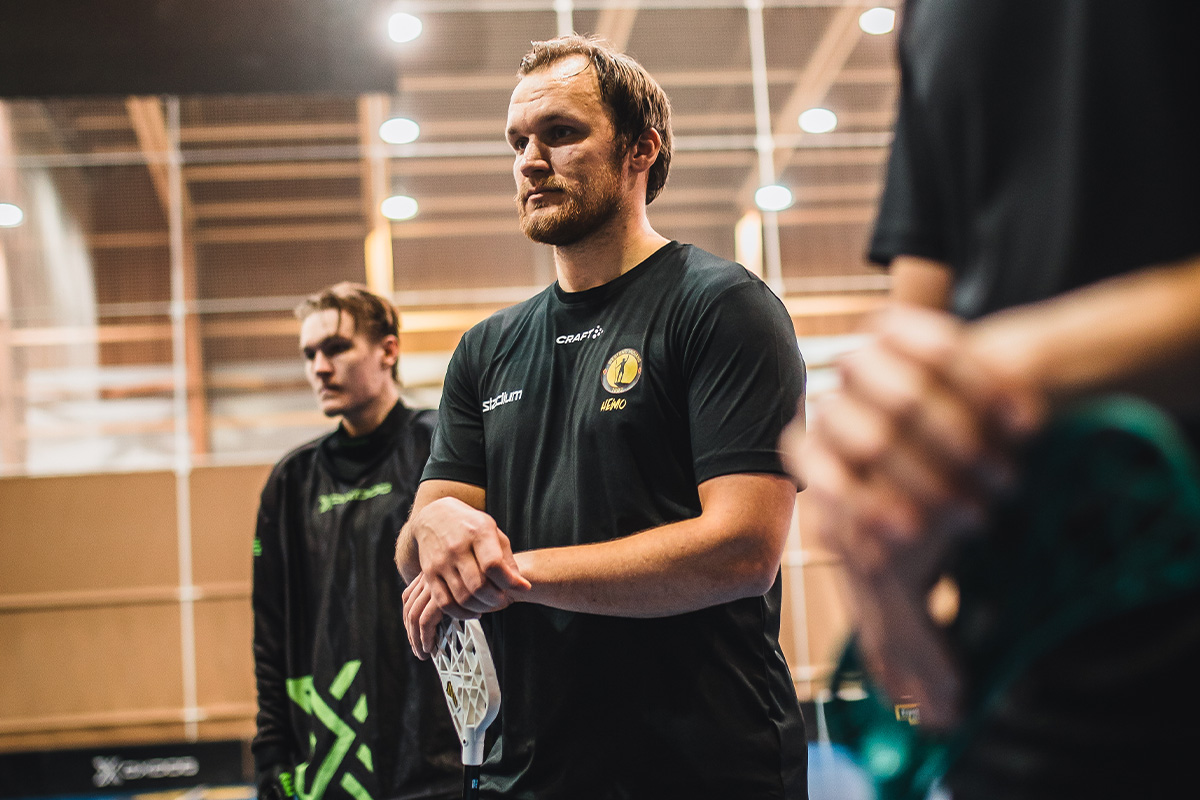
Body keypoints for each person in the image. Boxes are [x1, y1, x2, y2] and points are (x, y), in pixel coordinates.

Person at [784, 1, 1200, 797]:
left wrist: (1024, 369)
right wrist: (880, 507)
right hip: (1025, 706)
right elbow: (920, 328)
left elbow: (964, 368)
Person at [393, 35, 808, 800]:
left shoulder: (722, 308)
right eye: (519, 142)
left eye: (560, 133)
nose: (530, 161)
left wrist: (510, 575)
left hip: (703, 769)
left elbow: (744, 549)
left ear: (640, 149)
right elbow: (419, 550)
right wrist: (433, 526)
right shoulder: (484, 350)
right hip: (526, 775)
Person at [252, 283, 461, 800]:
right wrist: (272, 753)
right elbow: (271, 633)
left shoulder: (442, 446)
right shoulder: (291, 481)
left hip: (441, 752)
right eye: (309, 354)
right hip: (333, 758)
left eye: (336, 348)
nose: (319, 368)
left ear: (388, 350)